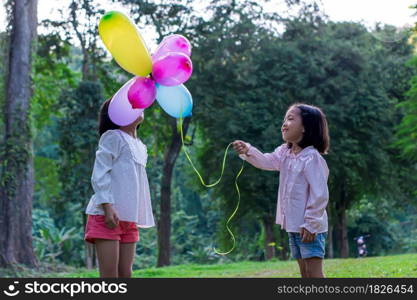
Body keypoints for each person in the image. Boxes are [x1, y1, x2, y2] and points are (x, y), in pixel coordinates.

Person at [233, 103, 330, 278]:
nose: (284, 123)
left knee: (314, 273)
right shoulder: (285, 153)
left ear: (305, 128)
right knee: (304, 273)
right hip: (294, 226)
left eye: (291, 118)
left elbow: (320, 194)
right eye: (285, 119)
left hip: (309, 227)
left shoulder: (311, 158)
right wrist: (248, 150)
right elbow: (266, 161)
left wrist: (311, 223)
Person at [84, 98, 155, 278]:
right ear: (118, 115)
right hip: (107, 215)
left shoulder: (141, 146)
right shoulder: (113, 137)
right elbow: (99, 174)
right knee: (110, 277)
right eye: (130, 107)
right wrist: (108, 208)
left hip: (128, 219)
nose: (138, 108)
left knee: (126, 274)